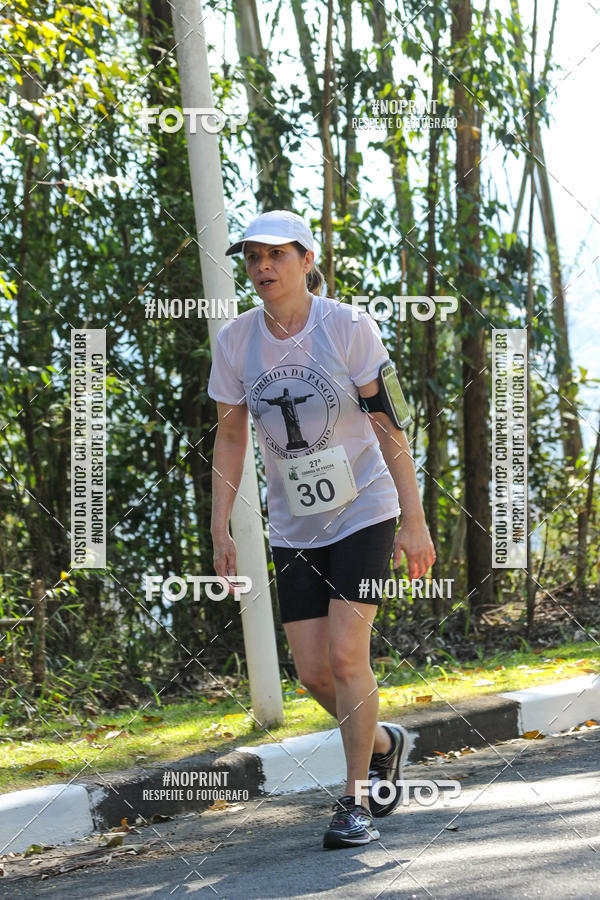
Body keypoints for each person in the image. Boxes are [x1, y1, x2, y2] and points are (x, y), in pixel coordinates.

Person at [207, 210, 436, 850]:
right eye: (252, 257)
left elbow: (391, 423)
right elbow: (230, 435)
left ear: (307, 259)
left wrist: (413, 521)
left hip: (364, 508)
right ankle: (386, 742)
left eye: (276, 255)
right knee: (312, 673)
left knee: (345, 655)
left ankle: (355, 801)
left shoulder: (347, 327)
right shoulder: (236, 342)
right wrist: (221, 527)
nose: (262, 267)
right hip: (293, 524)